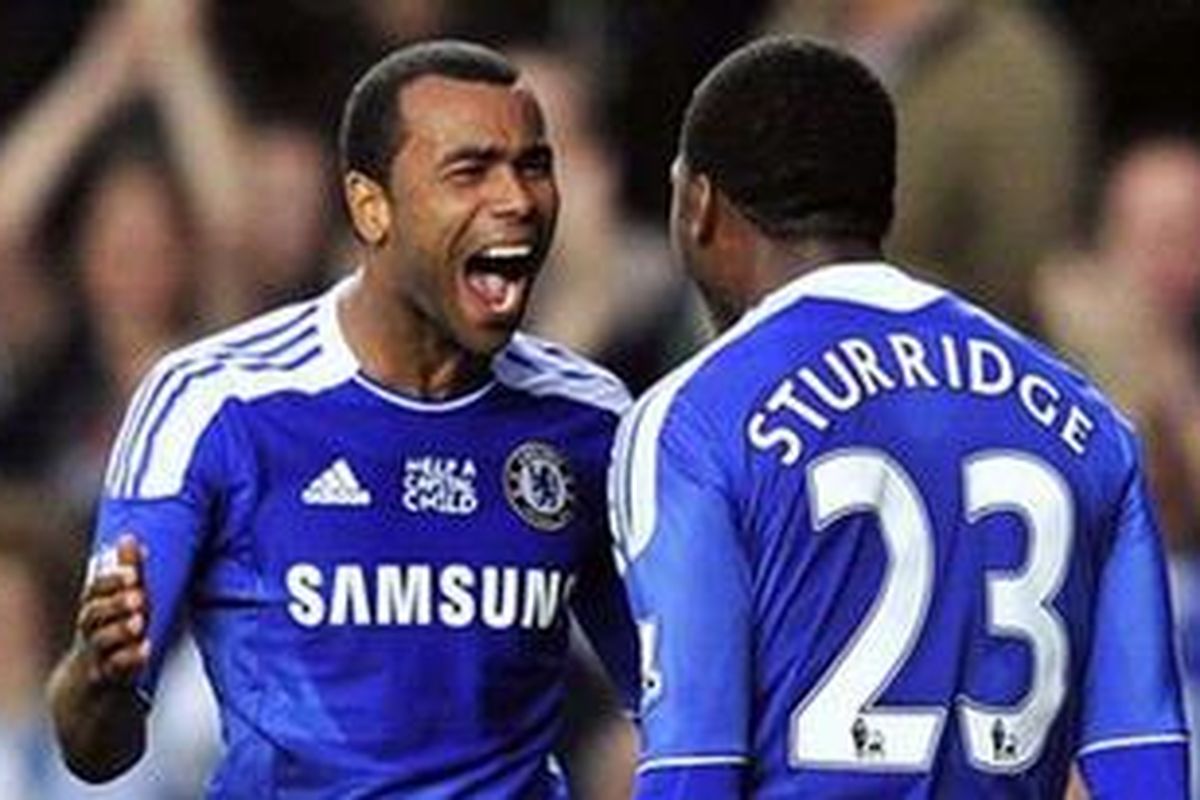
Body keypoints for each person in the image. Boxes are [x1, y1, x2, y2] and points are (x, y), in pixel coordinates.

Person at [47, 39, 638, 798]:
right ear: (371, 205)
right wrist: (98, 674)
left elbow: (672, 702)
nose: (517, 199)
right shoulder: (215, 403)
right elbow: (94, 750)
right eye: (470, 171)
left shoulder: (589, 420)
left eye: (533, 166)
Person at [609, 36, 1188, 798]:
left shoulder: (693, 419)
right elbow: (1144, 758)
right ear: (883, 203)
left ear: (699, 205)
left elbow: (693, 767)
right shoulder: (1086, 420)